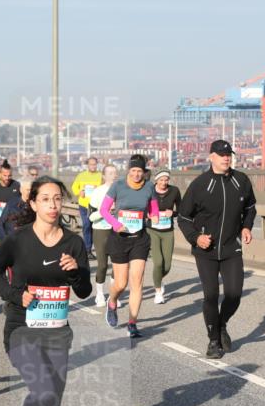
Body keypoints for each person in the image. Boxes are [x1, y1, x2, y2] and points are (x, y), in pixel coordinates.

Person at [0, 177, 92, 406]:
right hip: (22, 327)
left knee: (53, 401)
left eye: (57, 199)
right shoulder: (18, 239)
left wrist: (74, 273)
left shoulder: (73, 243)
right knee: (43, 390)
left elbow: (83, 291)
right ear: (33, 204)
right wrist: (15, 295)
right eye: (45, 199)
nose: (52, 205)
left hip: (58, 332)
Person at [177, 140, 256, 358]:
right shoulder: (200, 184)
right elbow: (183, 217)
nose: (226, 158)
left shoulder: (241, 180)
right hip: (206, 250)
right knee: (211, 296)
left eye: (228, 154)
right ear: (211, 156)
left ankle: (222, 324)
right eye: (221, 154)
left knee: (234, 295)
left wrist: (247, 227)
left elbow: (250, 208)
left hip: (232, 248)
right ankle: (213, 341)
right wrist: (196, 238)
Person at [99, 154, 159, 338]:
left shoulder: (149, 187)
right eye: (133, 170)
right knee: (121, 283)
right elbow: (103, 210)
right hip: (119, 238)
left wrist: (154, 217)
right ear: (128, 171)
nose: (136, 174)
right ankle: (112, 301)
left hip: (139, 239)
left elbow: (153, 209)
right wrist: (117, 224)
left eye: (139, 171)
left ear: (144, 172)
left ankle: (132, 322)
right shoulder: (118, 186)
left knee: (137, 282)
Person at [148, 170, 181, 304]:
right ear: (156, 180)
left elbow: (182, 209)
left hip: (168, 231)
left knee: (167, 265)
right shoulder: (150, 190)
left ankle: (158, 280)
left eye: (166, 180)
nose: (164, 182)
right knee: (158, 262)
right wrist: (148, 215)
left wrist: (172, 213)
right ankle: (158, 292)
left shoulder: (174, 191)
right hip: (152, 230)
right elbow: (142, 206)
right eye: (161, 180)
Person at [87, 164, 118, 306]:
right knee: (103, 265)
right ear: (104, 176)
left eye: (115, 173)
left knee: (118, 265)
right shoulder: (98, 192)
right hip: (101, 230)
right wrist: (104, 211)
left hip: (117, 230)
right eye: (110, 173)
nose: (113, 175)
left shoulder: (121, 190)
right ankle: (99, 294)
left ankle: (113, 295)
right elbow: (90, 217)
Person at [71, 157, 102, 254]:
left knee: (94, 227)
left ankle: (95, 247)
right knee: (86, 225)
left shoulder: (101, 176)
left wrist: (98, 189)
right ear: (87, 165)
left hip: (95, 205)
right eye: (91, 164)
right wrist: (79, 192)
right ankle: (88, 249)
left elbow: (105, 188)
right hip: (84, 205)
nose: (93, 166)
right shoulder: (81, 176)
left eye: (94, 164)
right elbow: (74, 187)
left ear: (97, 165)